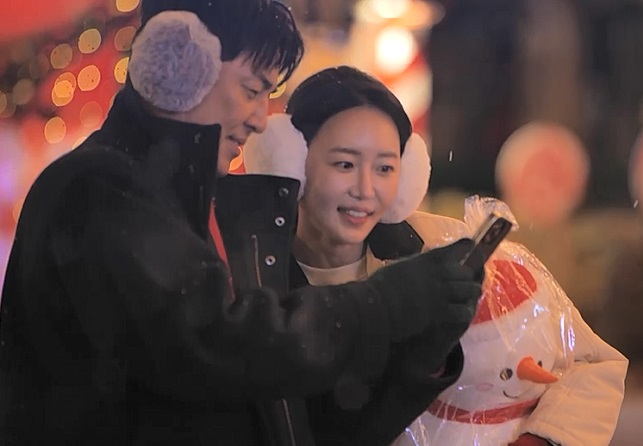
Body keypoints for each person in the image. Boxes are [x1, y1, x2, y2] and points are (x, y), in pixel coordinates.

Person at [0, 2, 484, 445]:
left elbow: (281, 414)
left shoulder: (186, 204)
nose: (259, 119)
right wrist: (388, 303)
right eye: (252, 90)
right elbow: (216, 346)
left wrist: (422, 348)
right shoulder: (100, 189)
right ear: (179, 61)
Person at [244, 66, 628, 446]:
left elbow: (592, 364)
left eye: (384, 168)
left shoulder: (441, 249)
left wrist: (540, 440)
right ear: (288, 160)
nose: (365, 189)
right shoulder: (249, 278)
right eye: (345, 164)